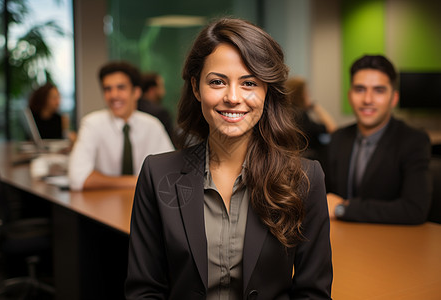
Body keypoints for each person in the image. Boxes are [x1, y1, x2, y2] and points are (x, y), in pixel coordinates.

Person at [125, 18, 332, 299]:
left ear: (266, 91)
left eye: (249, 83)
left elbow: (313, 293)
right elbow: (144, 290)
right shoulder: (157, 173)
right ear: (197, 88)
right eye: (218, 82)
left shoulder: (305, 179)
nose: (233, 97)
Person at [326, 55, 431, 224]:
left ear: (394, 98)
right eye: (360, 89)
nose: (367, 99)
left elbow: (414, 209)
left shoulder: (414, 141)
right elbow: (324, 197)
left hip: (391, 244)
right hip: (341, 240)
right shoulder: (338, 138)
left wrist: (343, 209)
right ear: (350, 95)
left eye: (378, 90)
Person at [68, 61, 174, 191]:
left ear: (136, 92)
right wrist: (136, 182)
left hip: (145, 206)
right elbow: (77, 179)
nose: (113, 95)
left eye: (121, 88)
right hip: (101, 205)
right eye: (108, 89)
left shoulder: (153, 125)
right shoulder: (92, 124)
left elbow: (170, 174)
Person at [285, 77, 337, 166]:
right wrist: (315, 106)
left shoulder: (286, 114)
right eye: (306, 93)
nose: (309, 95)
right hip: (307, 164)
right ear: (300, 95)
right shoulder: (301, 116)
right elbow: (332, 128)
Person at [137, 72, 175, 143]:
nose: (164, 92)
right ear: (152, 90)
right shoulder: (160, 113)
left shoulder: (134, 109)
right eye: (161, 87)